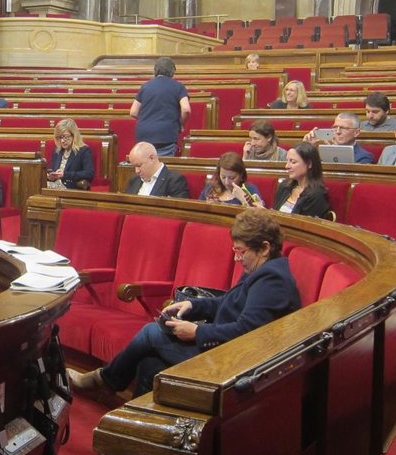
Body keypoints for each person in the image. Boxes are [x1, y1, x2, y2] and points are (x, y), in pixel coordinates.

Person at [68, 208, 301, 398]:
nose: (236, 258)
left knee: (151, 333)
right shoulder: (261, 268)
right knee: (149, 365)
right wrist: (192, 306)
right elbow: (228, 302)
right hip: (223, 348)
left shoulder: (272, 279)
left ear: (265, 248)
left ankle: (105, 381)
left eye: (240, 251)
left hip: (231, 360)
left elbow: (247, 330)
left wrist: (197, 332)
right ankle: (136, 422)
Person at [250, 142, 331, 219]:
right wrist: (265, 213)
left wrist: (266, 214)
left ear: (309, 164)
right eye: (287, 161)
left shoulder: (317, 195)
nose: (287, 166)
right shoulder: (285, 186)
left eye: (293, 162)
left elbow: (303, 226)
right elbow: (275, 214)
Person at [130, 56, 190, 156]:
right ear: (173, 71)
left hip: (144, 134)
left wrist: (147, 119)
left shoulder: (145, 86)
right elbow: (186, 109)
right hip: (165, 134)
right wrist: (181, 124)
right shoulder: (178, 86)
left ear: (155, 70)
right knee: (162, 164)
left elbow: (133, 112)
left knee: (145, 163)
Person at [124, 141, 189, 198]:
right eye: (134, 166)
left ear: (152, 158)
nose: (137, 171)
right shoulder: (134, 179)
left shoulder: (174, 181)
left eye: (139, 165)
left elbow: (177, 207)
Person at [304, 112, 374, 164]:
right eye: (335, 127)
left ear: (356, 133)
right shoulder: (322, 151)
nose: (338, 132)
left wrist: (335, 150)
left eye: (343, 128)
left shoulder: (364, 157)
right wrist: (308, 148)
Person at [47, 118, 94, 190]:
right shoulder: (57, 151)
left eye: (66, 137)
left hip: (70, 187)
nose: (62, 141)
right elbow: (54, 171)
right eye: (60, 137)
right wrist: (50, 176)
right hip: (55, 185)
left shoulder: (83, 151)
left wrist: (66, 174)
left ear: (74, 136)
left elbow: (89, 173)